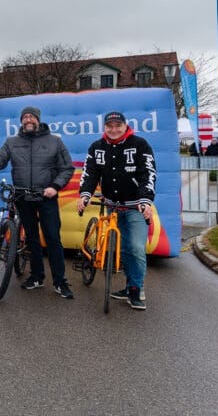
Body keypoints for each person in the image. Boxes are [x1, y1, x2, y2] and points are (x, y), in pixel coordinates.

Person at [0, 106, 75, 298]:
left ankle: (60, 281)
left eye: (31, 117)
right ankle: (37, 276)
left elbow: (67, 168)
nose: (28, 119)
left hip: (47, 197)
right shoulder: (12, 142)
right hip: (23, 197)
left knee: (53, 239)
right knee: (32, 239)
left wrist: (55, 186)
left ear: (38, 119)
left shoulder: (54, 141)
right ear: (21, 121)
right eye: (25, 117)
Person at [76, 111, 156, 310]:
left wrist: (145, 200)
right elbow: (90, 174)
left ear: (125, 126)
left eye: (117, 125)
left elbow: (148, 173)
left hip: (134, 206)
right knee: (122, 249)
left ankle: (135, 289)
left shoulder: (140, 144)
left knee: (135, 248)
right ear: (104, 127)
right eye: (109, 126)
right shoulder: (97, 147)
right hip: (111, 207)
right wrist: (85, 194)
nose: (113, 129)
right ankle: (128, 285)